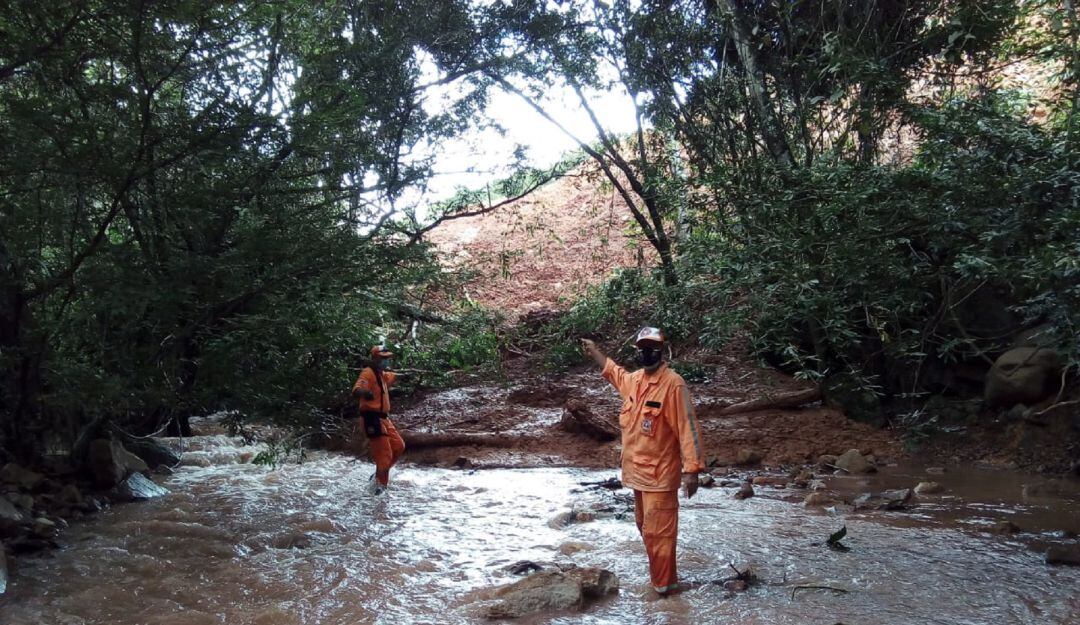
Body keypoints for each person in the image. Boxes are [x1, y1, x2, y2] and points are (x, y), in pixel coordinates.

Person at [581, 327, 706, 595]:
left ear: (662, 352)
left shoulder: (674, 384)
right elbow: (615, 374)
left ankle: (664, 592)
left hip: (661, 477)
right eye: (642, 348)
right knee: (646, 531)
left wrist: (692, 470)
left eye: (652, 348)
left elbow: (688, 427)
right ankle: (662, 582)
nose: (646, 353)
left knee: (659, 535)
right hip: (637, 475)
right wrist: (594, 352)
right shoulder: (635, 381)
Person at [352, 345, 405, 495]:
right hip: (371, 418)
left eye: (387, 358)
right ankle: (379, 489)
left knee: (399, 446)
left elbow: (393, 376)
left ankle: (378, 476)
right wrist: (365, 393)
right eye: (383, 359)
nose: (386, 361)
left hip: (383, 418)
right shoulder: (367, 373)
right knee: (385, 455)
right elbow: (356, 389)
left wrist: (405, 375)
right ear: (375, 359)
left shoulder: (382, 374)